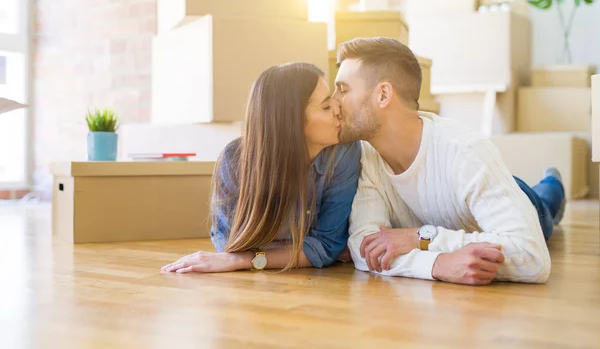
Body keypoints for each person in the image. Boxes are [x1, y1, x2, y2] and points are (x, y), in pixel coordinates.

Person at [332, 37, 565, 285]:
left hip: (513, 202)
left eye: (343, 90)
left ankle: (553, 182)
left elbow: (531, 256)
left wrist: (419, 237)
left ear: (383, 95)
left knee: (546, 201)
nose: (333, 101)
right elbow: (364, 247)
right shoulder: (367, 154)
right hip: (471, 199)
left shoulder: (465, 151)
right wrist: (438, 264)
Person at [162, 63, 361, 274]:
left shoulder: (343, 153)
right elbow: (231, 244)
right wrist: (304, 251)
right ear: (291, 121)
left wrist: (249, 259)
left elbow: (326, 247)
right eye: (326, 107)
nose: (338, 111)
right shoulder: (235, 160)